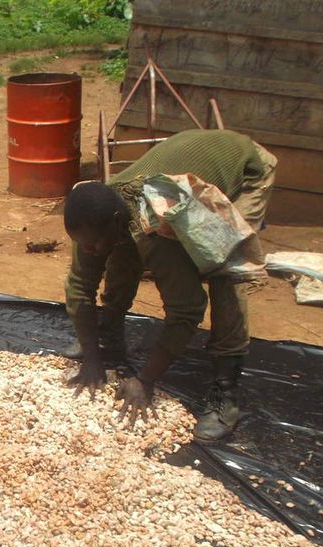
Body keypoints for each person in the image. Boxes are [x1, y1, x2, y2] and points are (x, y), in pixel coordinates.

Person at [63, 128, 277, 442]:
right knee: (119, 253)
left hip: (245, 170)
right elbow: (80, 286)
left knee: (225, 274)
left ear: (114, 220)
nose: (90, 250)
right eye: (85, 245)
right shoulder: (96, 211)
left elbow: (187, 311)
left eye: (93, 243)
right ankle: (110, 338)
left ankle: (225, 391)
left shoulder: (158, 230)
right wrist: (94, 356)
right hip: (185, 162)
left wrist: (146, 380)